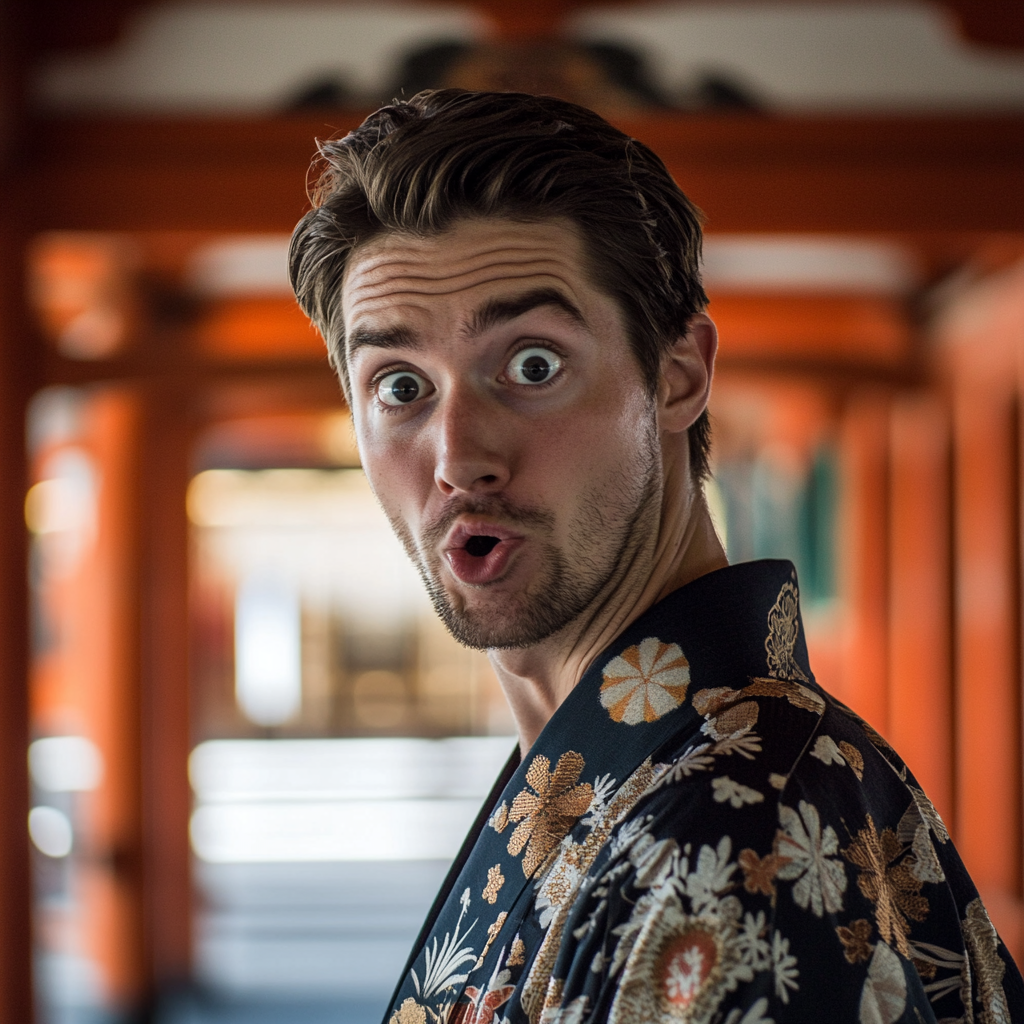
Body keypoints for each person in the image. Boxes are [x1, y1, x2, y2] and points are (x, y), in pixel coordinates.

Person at [289, 89, 1023, 1024]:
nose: (456, 456)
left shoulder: (735, 833)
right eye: (399, 386)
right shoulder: (632, 772)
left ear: (677, 379)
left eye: (532, 366)